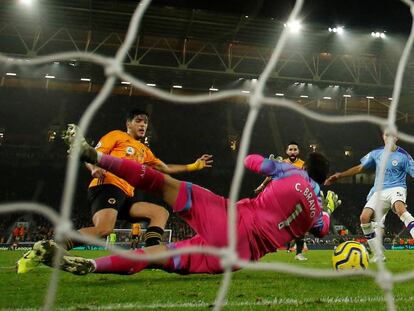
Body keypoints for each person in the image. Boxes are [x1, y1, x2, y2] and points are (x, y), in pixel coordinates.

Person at [32, 124, 340, 276]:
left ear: (305, 165)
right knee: (153, 257)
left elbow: (250, 161)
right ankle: (91, 266)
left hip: (232, 223)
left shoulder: (290, 171)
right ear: (323, 177)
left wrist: (272, 163)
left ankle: (95, 156)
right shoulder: (318, 209)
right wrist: (327, 207)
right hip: (237, 258)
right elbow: (321, 230)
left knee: (161, 183)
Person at [16, 110, 213, 273]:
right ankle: (52, 246)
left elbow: (165, 169)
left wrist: (193, 166)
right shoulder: (116, 136)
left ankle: (152, 253)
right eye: (138, 121)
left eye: (145, 122)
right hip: (107, 186)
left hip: (126, 194)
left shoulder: (144, 150)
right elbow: (89, 153)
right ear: (128, 123)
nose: (143, 125)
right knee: (104, 230)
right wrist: (94, 169)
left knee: (160, 212)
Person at [325, 131, 414, 262]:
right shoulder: (376, 153)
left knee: (401, 210)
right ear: (383, 137)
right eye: (386, 135)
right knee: (364, 218)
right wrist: (339, 175)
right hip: (378, 191)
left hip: (397, 187)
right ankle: (378, 255)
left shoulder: (404, 156)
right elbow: (360, 168)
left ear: (396, 138)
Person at [254, 142, 308, 261]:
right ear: (287, 152)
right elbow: (271, 176)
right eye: (291, 149)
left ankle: (298, 253)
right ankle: (259, 249)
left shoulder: (303, 165)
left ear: (298, 151)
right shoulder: (282, 163)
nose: (293, 151)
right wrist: (262, 186)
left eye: (295, 149)